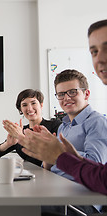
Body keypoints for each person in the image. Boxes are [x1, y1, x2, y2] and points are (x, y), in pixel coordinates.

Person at [18, 19, 107, 196]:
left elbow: (97, 168)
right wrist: (47, 154)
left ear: (86, 94)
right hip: (56, 188)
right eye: (61, 94)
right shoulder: (64, 125)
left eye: (73, 92)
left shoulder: (97, 122)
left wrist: (59, 154)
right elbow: (50, 166)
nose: (66, 98)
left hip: (79, 196)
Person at [0, 89, 61, 166]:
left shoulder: (55, 125)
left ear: (41, 105)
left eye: (33, 103)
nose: (29, 108)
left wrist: (21, 137)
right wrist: (8, 144)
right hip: (28, 175)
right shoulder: (20, 131)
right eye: (24, 105)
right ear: (21, 109)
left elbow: (41, 160)